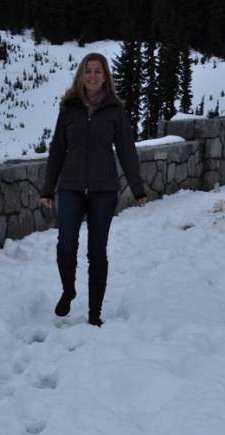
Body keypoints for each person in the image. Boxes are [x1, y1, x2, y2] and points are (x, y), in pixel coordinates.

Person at [40, 53, 147, 326]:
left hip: (103, 190)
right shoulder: (69, 108)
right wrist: (47, 188)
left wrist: (137, 188)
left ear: (105, 76)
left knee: (97, 251)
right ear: (81, 75)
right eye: (88, 71)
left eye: (98, 71)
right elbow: (57, 149)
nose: (92, 76)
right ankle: (68, 290)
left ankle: (94, 314)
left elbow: (126, 150)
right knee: (66, 244)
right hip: (71, 188)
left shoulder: (115, 110)